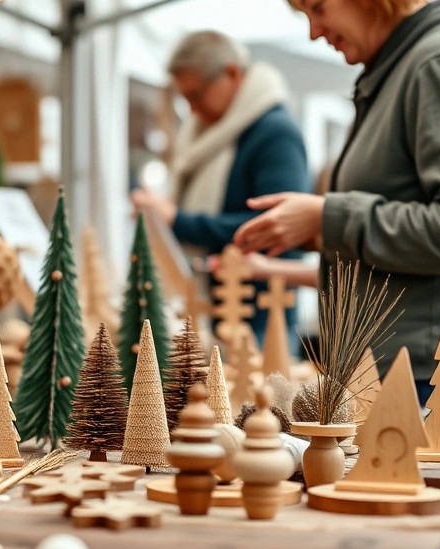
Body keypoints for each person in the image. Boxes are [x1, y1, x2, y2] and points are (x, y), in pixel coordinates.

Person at [234, 0, 440, 403]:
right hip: (398, 372)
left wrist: (330, 218)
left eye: (318, 8)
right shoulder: (401, 67)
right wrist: (317, 228)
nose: (314, 31)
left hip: (428, 382)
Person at [131, 31, 311, 348]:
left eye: (197, 95)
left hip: (260, 324)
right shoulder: (206, 136)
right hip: (215, 315)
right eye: (185, 99)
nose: (192, 110)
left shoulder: (275, 134)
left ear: (230, 73)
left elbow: (280, 230)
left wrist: (177, 220)